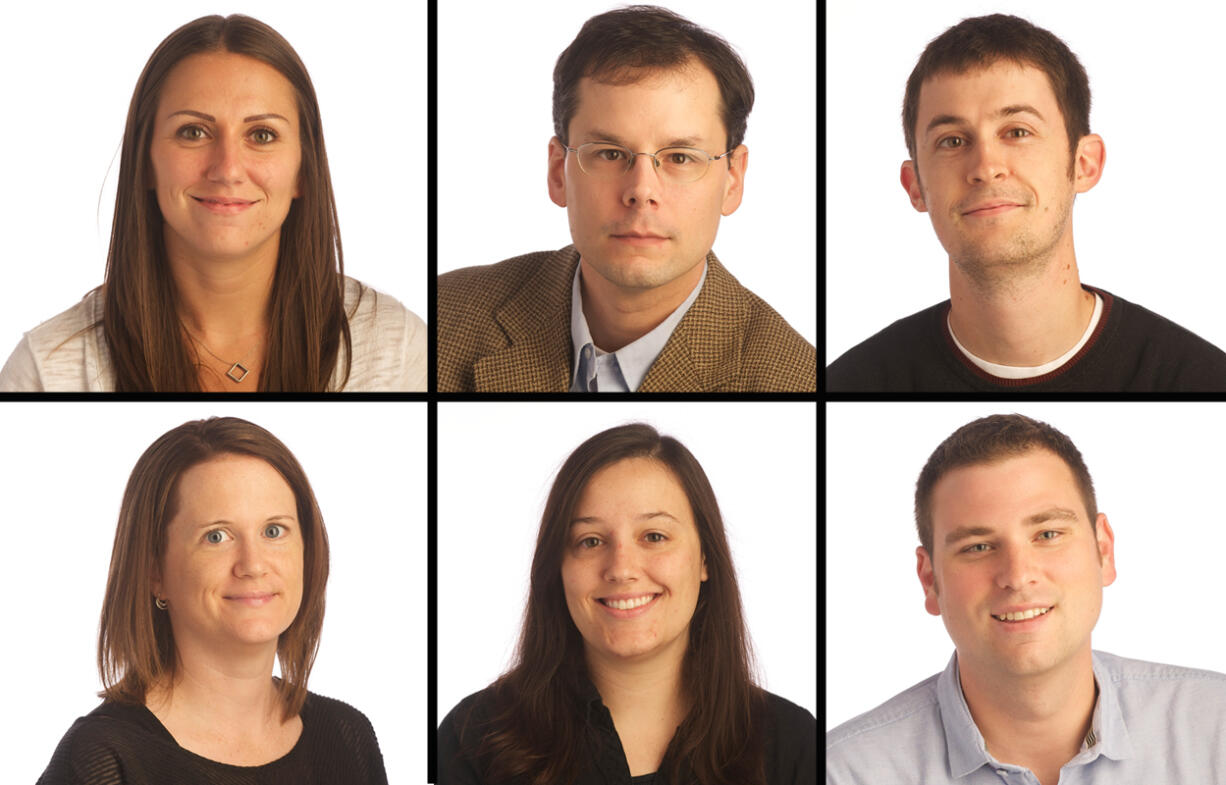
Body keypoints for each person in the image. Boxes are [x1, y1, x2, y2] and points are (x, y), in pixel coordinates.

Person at [0, 14, 426, 392]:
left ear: (303, 171)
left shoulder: (399, 349)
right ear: (145, 162)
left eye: (261, 135)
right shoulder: (49, 369)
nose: (227, 168)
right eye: (193, 132)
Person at [825, 14, 1226, 391]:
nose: (985, 166)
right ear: (914, 186)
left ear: (1084, 164)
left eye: (1017, 131)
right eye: (952, 141)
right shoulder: (850, 382)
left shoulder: (1199, 378)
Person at [825, 414, 1226, 784]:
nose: (1017, 576)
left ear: (1103, 551)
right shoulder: (843, 772)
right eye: (978, 547)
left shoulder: (1217, 729)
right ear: (930, 580)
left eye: (1048, 534)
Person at [436, 5, 816, 392]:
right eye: (610, 153)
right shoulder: (443, 321)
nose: (641, 191)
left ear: (732, 178)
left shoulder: (797, 380)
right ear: (557, 171)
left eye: (680, 157)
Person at [437, 423, 816, 784]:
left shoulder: (795, 746)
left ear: (705, 559)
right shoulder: (473, 741)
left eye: (654, 536)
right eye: (590, 541)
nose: (620, 569)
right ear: (558, 567)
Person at [38, 417, 388, 783]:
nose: (253, 565)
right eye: (216, 536)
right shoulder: (101, 759)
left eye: (273, 531)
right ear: (154, 572)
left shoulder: (348, 737)